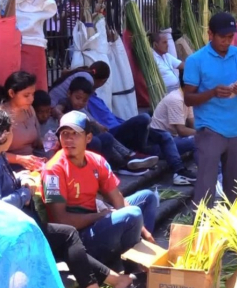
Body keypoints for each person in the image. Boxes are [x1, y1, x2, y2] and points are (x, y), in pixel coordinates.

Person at [0, 109, 140, 288]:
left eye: (75, 134)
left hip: (16, 226)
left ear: (88, 138)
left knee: (139, 204)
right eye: (11, 131)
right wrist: (25, 193)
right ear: (5, 134)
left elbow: (3, 183)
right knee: (67, 235)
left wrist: (20, 179)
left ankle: (111, 285)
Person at [42, 111, 158, 269]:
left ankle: (138, 251)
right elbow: (60, 221)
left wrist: (144, 231)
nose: (69, 139)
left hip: (97, 218)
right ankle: (133, 270)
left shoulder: (96, 160)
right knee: (133, 214)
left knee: (148, 197)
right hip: (78, 237)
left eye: (75, 134)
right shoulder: (53, 170)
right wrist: (99, 216)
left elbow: (117, 198)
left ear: (88, 138)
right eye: (64, 134)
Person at [183, 12, 237, 205]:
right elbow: (188, 99)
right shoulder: (196, 60)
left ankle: (232, 226)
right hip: (210, 130)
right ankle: (201, 224)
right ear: (210, 34)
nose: (227, 41)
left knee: (236, 185)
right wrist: (212, 93)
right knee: (206, 184)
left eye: (231, 37)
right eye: (223, 37)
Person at [61, 77, 158, 176]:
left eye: (84, 100)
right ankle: (126, 161)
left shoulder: (84, 108)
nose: (80, 102)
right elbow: (58, 110)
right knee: (98, 138)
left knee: (106, 136)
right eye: (78, 98)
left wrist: (97, 125)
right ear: (69, 94)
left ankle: (127, 158)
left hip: (97, 133)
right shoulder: (65, 104)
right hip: (77, 140)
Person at [0, 71, 46, 172]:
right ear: (11, 93)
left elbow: (37, 142)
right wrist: (20, 159)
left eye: (33, 94)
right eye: (26, 95)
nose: (31, 99)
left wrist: (49, 143)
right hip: (8, 168)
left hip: (31, 163)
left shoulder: (29, 110)